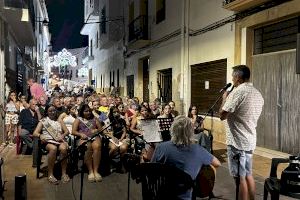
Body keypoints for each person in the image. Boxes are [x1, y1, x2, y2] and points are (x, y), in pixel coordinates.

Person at [219, 65, 264, 200]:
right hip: (249, 140)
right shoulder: (257, 93)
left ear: (238, 77)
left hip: (237, 143)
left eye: (233, 76)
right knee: (248, 174)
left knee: (240, 179)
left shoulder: (238, 92)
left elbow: (222, 115)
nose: (232, 79)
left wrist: (224, 98)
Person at [151, 115, 221, 200]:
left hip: (161, 195)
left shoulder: (161, 147)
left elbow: (153, 171)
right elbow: (217, 164)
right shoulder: (198, 149)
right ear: (190, 132)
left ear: (172, 129)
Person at [33, 106, 70, 184]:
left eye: (54, 110)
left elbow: (66, 131)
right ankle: (50, 174)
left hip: (59, 140)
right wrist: (40, 136)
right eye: (50, 111)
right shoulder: (43, 121)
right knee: (53, 148)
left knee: (63, 149)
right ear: (47, 112)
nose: (52, 112)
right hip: (48, 141)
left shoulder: (59, 120)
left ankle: (64, 173)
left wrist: (62, 136)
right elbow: (35, 133)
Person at [72, 104, 103, 182]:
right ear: (82, 112)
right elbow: (73, 131)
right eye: (86, 111)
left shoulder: (95, 119)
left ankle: (96, 171)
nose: (88, 112)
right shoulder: (78, 119)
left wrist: (96, 130)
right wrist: (80, 134)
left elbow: (100, 129)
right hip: (84, 137)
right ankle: (90, 171)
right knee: (88, 147)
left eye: (89, 111)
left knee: (97, 146)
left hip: (94, 136)